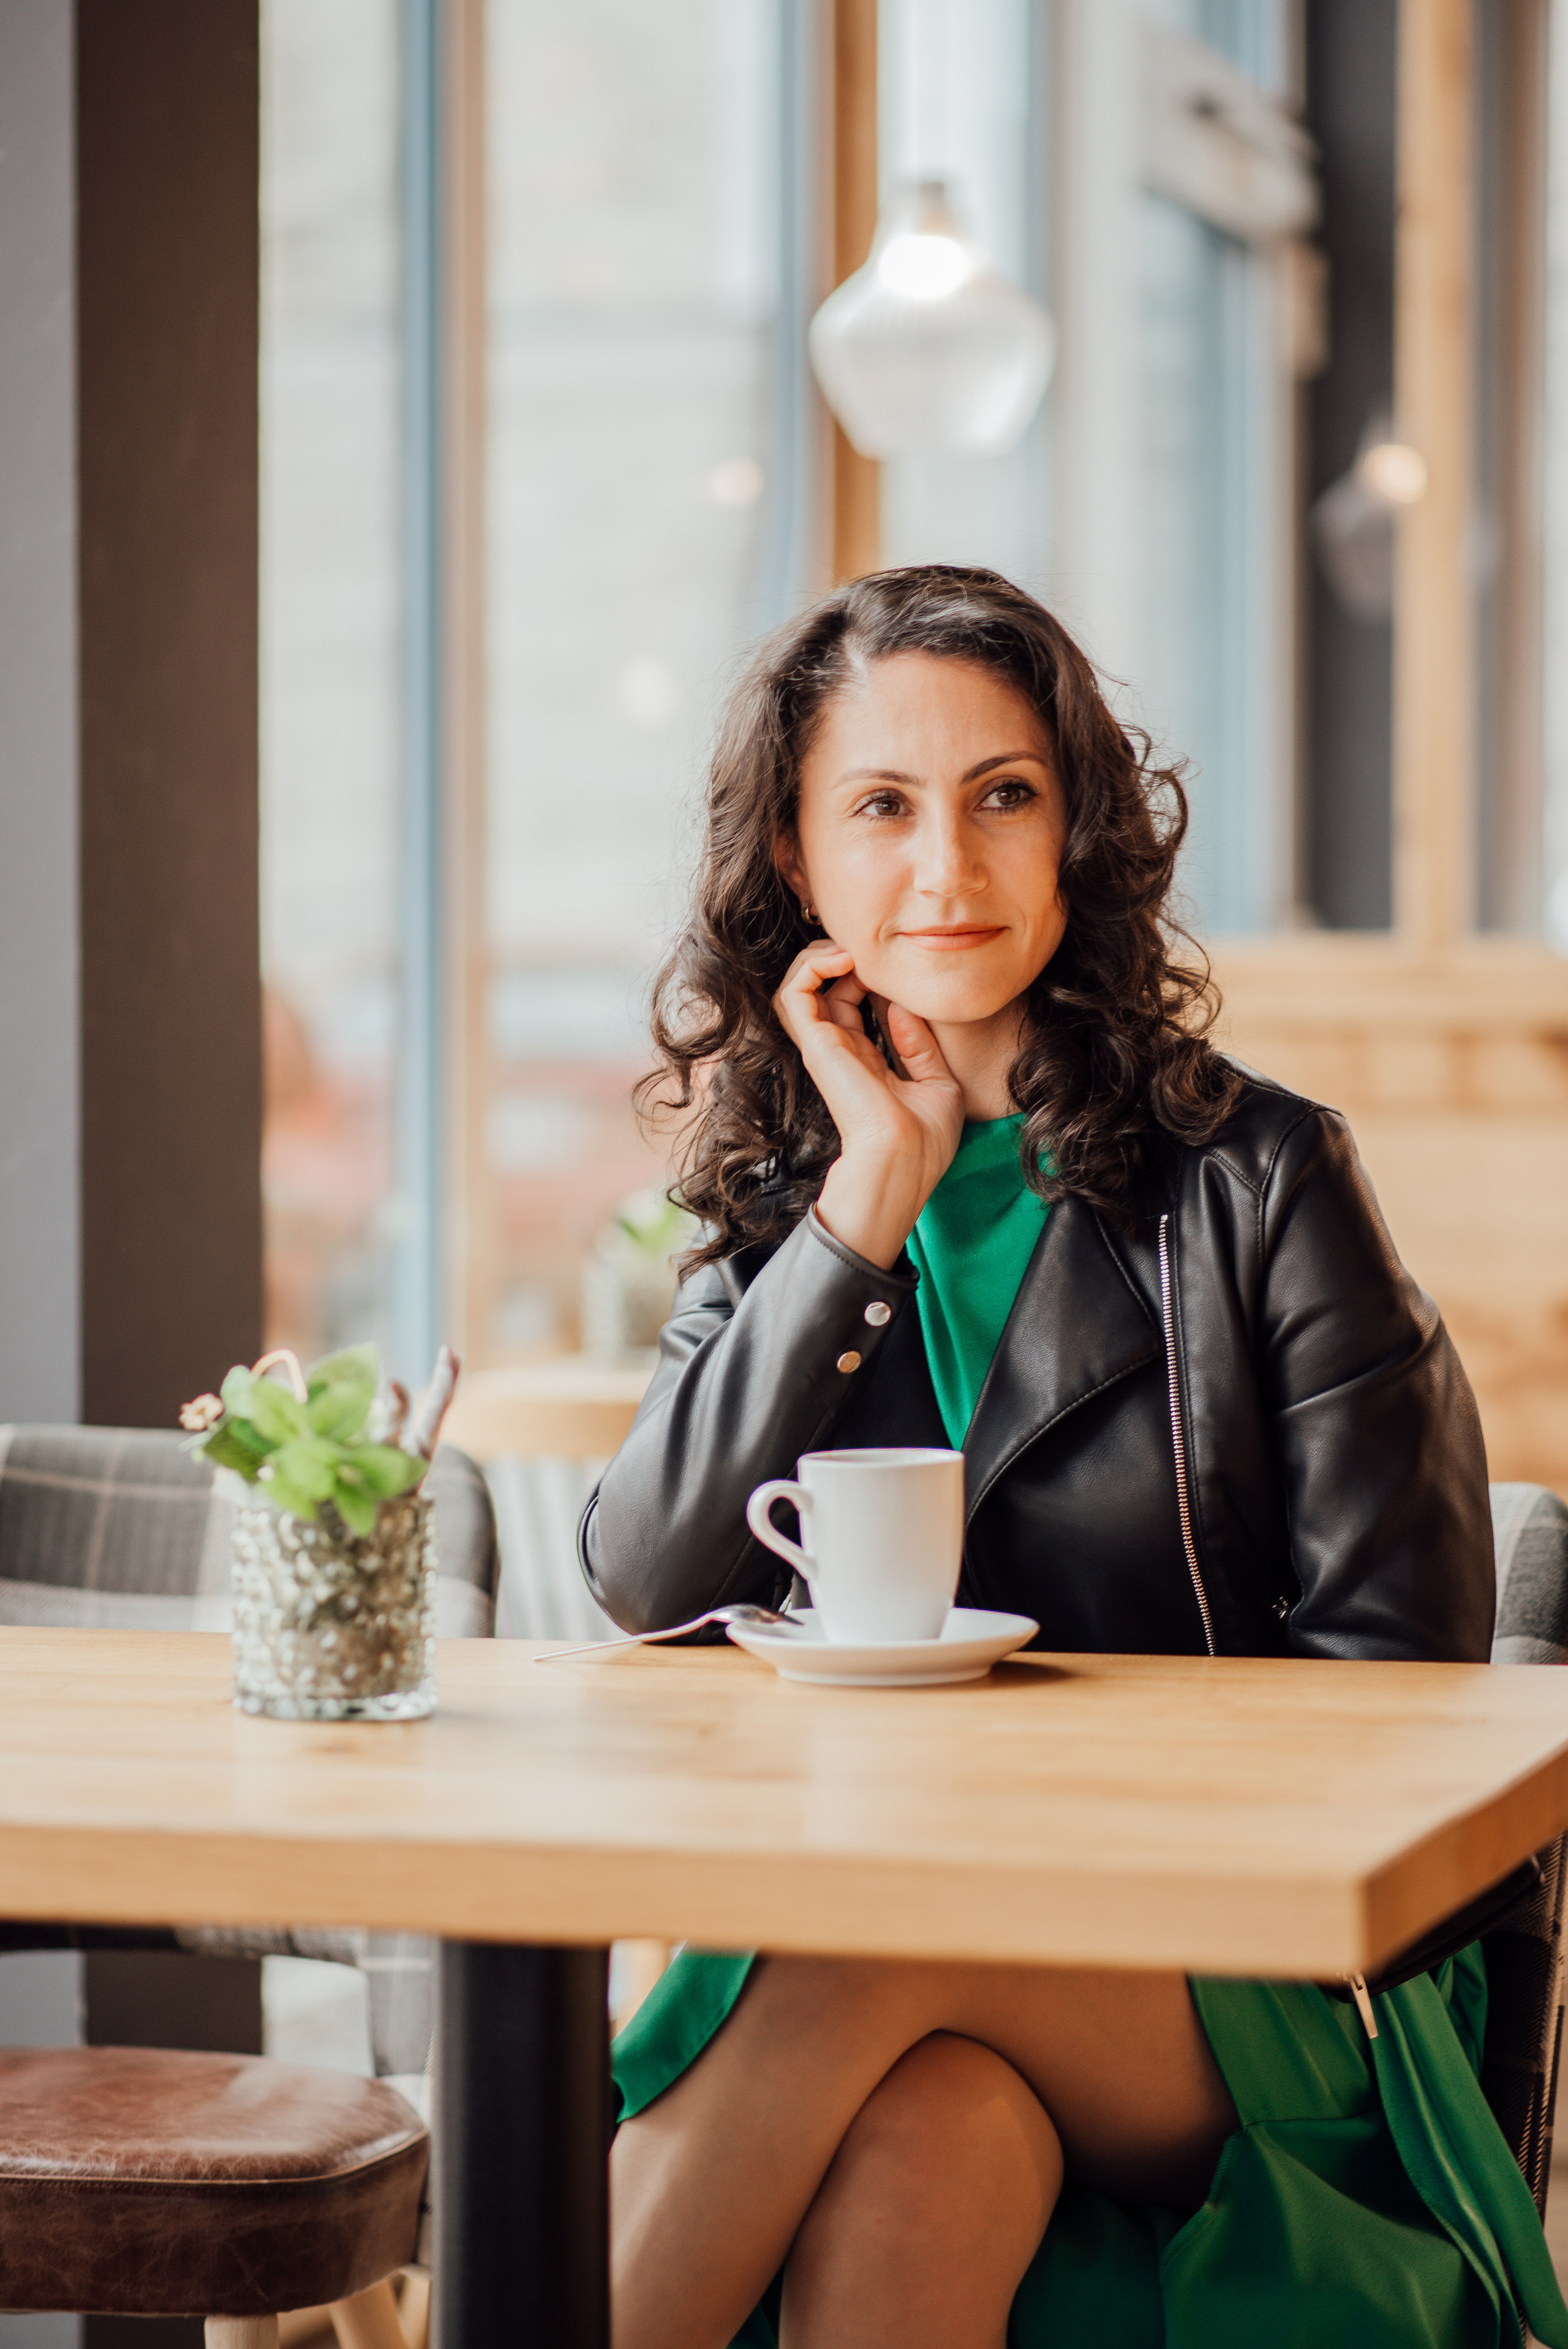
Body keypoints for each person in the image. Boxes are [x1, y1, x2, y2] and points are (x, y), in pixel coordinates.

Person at [580, 566, 1562, 2349]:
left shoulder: (1264, 1181)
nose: (944, 868)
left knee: (858, 1939)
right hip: (922, 1979)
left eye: (1002, 797)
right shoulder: (784, 1211)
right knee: (926, 2134)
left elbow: (1407, 1699)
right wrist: (863, 1205)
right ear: (799, 866)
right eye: (880, 807)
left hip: (1267, 1976)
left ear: (1075, 835)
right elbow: (649, 1577)